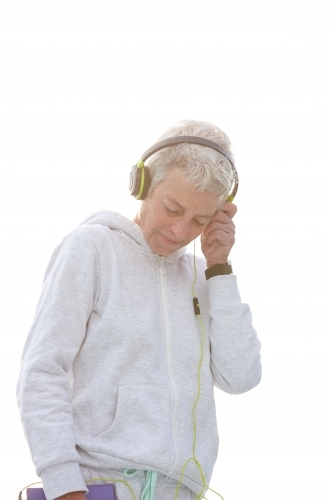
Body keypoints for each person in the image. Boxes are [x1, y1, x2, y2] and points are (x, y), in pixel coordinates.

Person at [17, 120, 262, 500]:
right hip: (94, 486)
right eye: (172, 208)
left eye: (199, 220)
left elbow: (240, 377)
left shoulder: (205, 277)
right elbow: (41, 370)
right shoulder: (92, 248)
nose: (180, 231)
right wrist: (64, 486)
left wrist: (219, 269)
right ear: (143, 185)